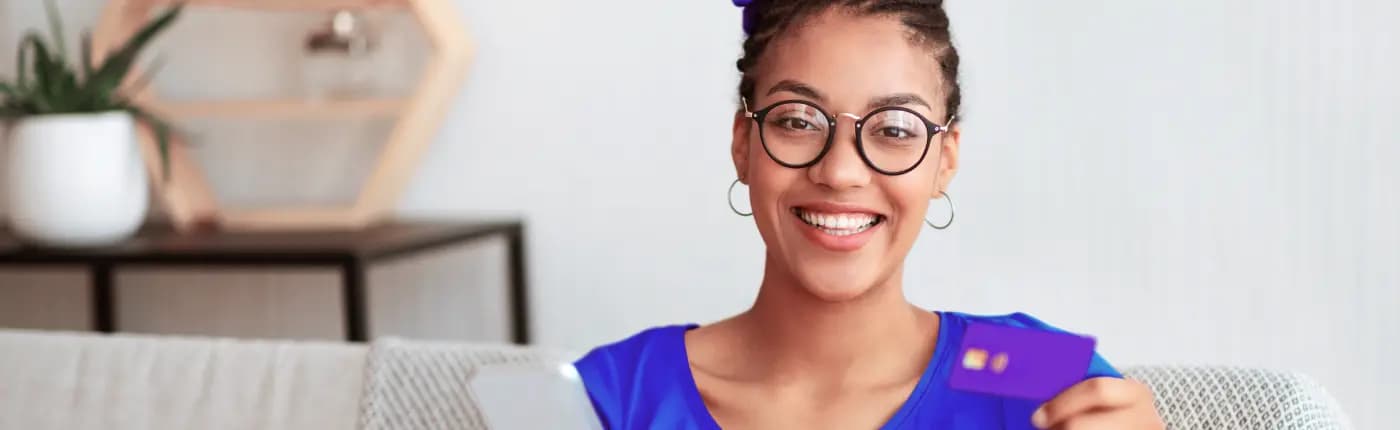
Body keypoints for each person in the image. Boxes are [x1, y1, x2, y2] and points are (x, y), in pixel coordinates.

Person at [575, 1, 1164, 428]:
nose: (841, 173)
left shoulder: (1032, 371)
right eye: (799, 120)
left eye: (895, 129)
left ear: (944, 162)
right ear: (742, 144)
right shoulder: (615, 393)